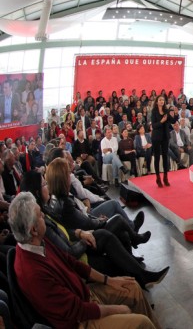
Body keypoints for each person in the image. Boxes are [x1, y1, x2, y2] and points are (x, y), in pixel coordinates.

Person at [8, 192, 162, 329]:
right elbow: (77, 311)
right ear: (33, 230)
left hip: (85, 296)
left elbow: (72, 263)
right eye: (40, 215)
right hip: (80, 322)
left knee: (132, 286)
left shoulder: (37, 241)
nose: (43, 217)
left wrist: (109, 281)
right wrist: (117, 309)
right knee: (141, 322)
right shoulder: (32, 272)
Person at [151, 95, 176, 188]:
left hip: (165, 136)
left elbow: (173, 121)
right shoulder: (154, 111)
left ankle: (165, 177)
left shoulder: (166, 111)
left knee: (165, 156)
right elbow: (153, 125)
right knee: (157, 157)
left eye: (163, 100)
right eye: (160, 100)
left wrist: (175, 114)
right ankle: (158, 177)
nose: (162, 101)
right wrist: (161, 121)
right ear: (157, 102)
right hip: (156, 137)